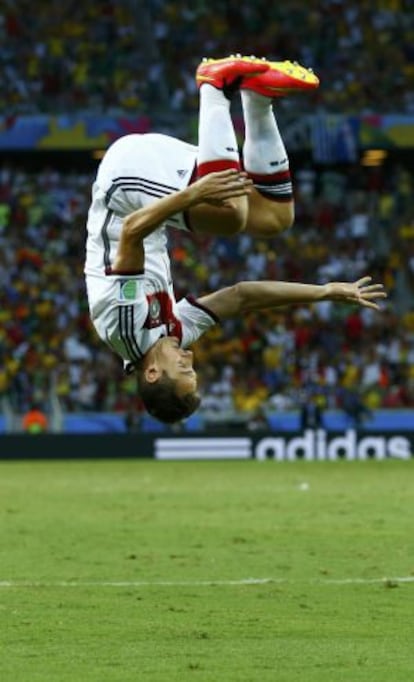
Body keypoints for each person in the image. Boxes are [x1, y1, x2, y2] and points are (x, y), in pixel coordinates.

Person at [84, 55, 386, 424]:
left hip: (124, 182)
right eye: (192, 370)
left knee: (230, 214)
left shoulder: (125, 326)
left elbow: (131, 230)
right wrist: (322, 291)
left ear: (152, 373)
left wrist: (194, 195)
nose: (190, 360)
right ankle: (258, 99)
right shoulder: (175, 333)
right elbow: (241, 296)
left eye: (184, 371)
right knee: (275, 218)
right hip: (148, 190)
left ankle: (213, 85)